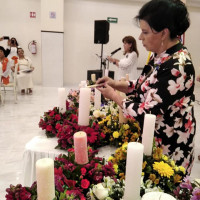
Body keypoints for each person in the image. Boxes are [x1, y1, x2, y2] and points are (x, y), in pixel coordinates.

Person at [97, 0, 195, 175]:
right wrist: (115, 84)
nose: (140, 38)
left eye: (145, 32)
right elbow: (142, 85)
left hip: (170, 145)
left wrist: (113, 95)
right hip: (154, 138)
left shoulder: (178, 66)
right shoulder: (160, 56)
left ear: (164, 33)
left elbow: (148, 112)